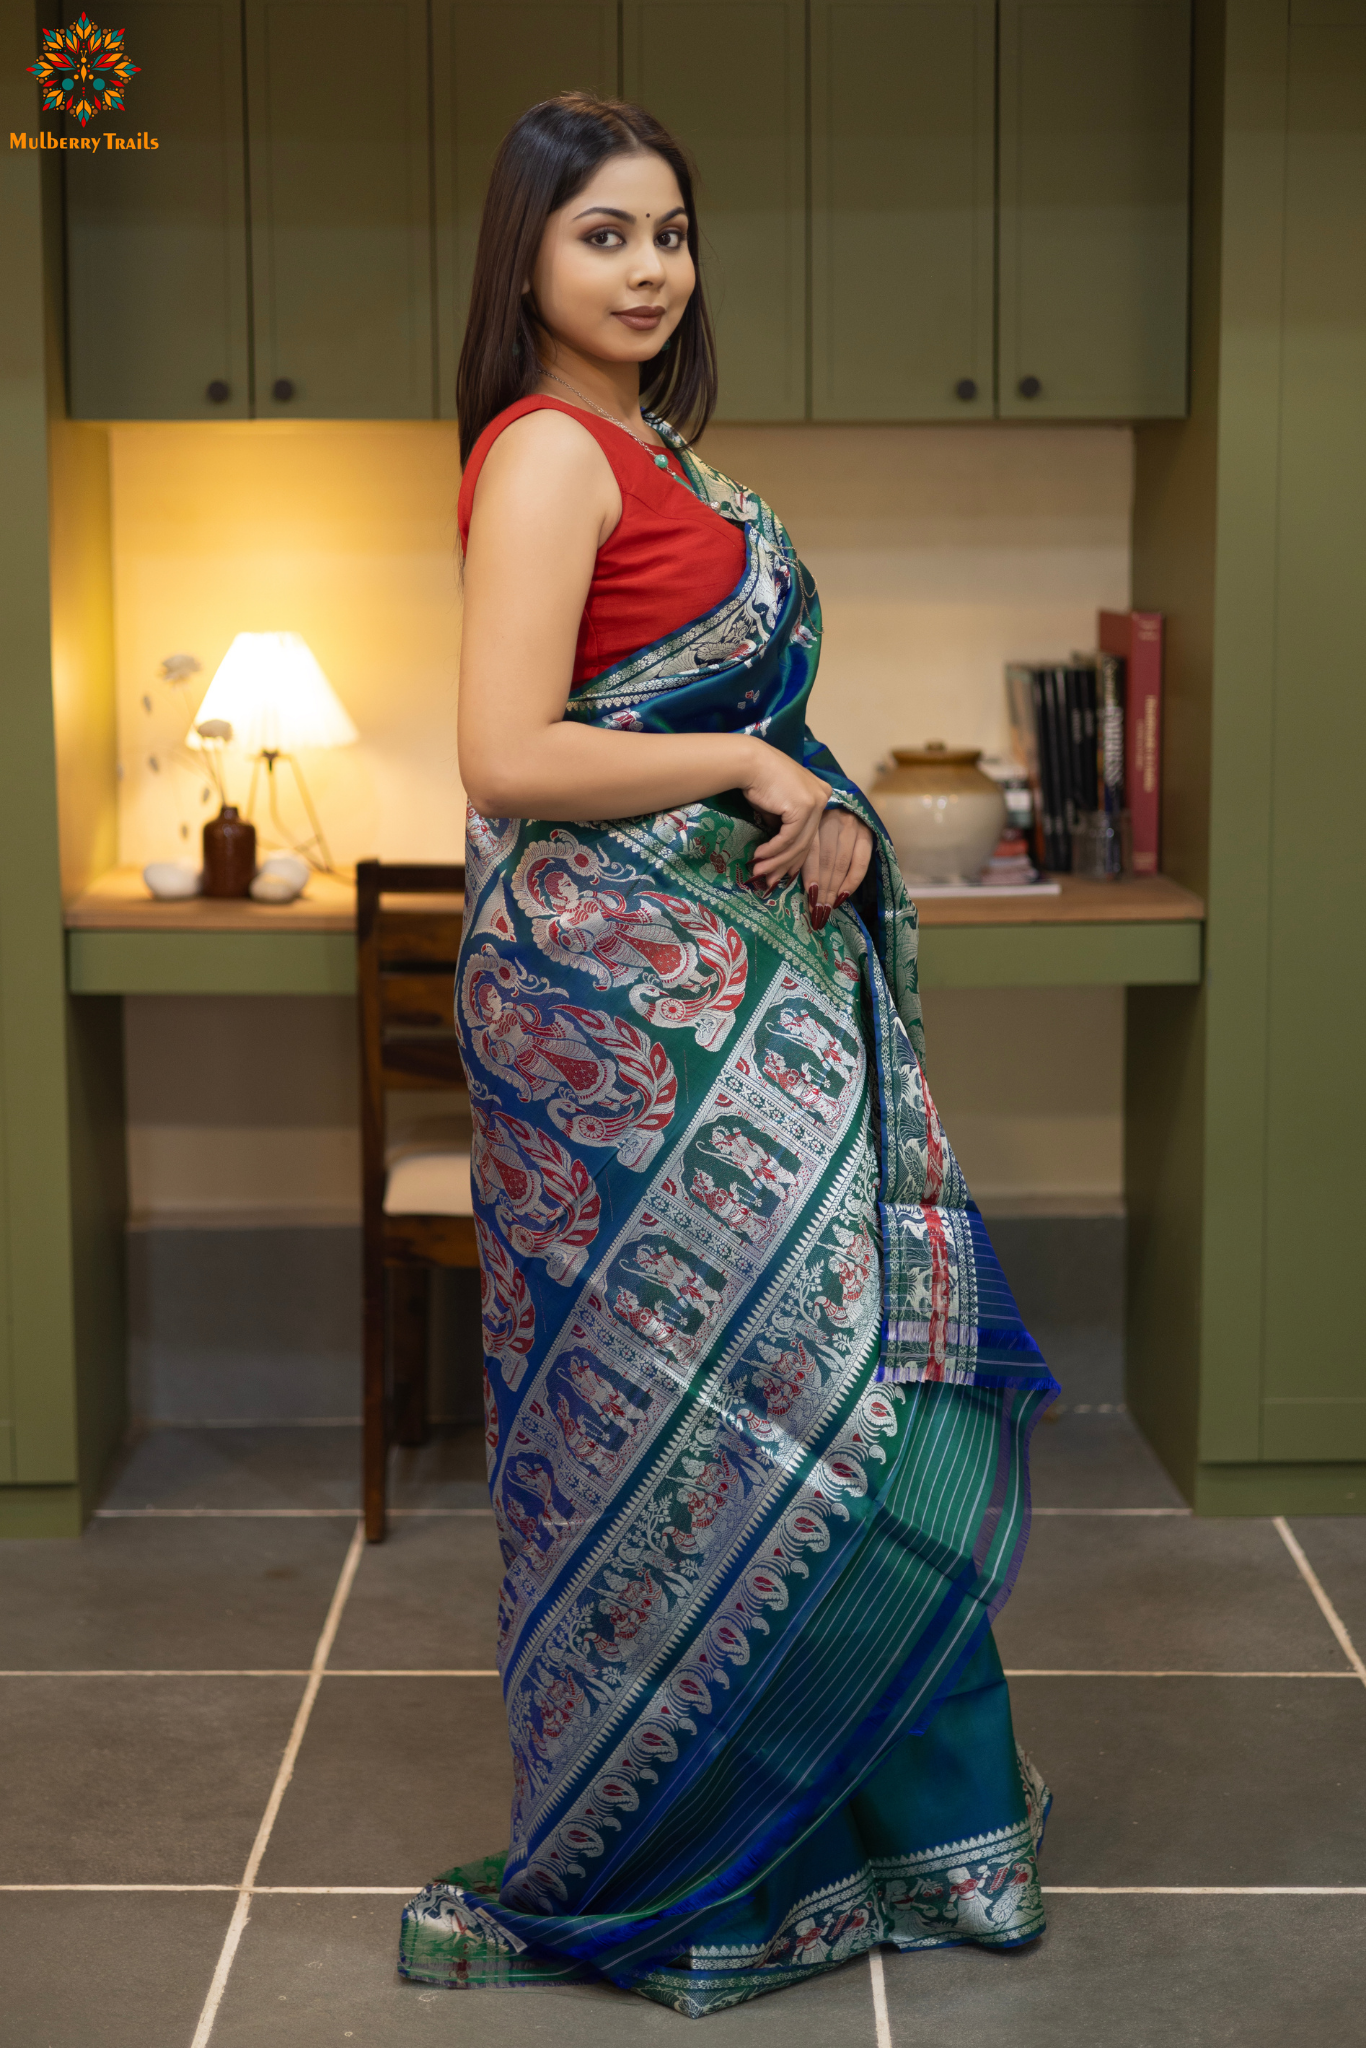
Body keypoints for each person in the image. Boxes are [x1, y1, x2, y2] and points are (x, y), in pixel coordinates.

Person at [399, 92, 1058, 2018]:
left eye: (669, 232)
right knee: (719, 1425)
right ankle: (699, 1852)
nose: (648, 266)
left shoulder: (651, 450)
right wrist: (757, 758)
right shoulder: (544, 453)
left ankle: (879, 1829)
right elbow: (509, 753)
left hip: (733, 981)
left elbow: (703, 728)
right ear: (523, 254)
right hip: (618, 1014)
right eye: (602, 233)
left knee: (826, 1394)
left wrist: (824, 807)